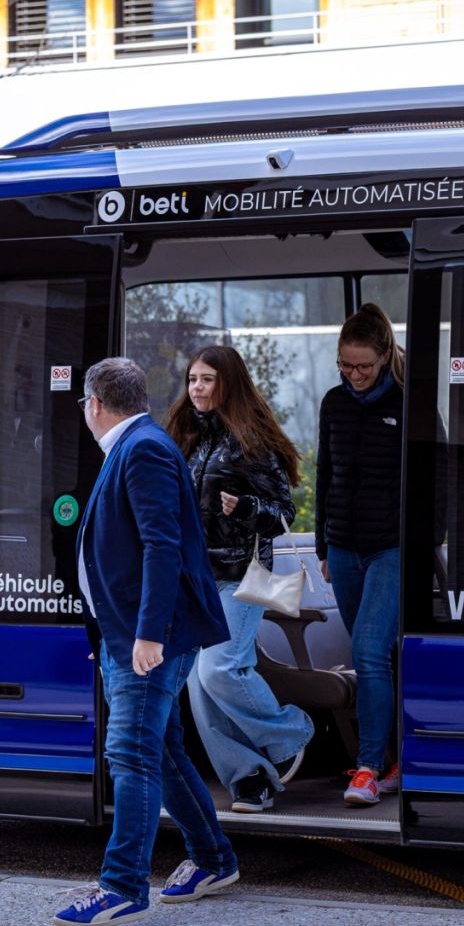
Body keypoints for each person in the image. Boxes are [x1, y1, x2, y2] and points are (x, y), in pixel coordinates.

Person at [52, 357, 240, 926]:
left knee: (130, 751)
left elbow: (163, 547)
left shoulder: (145, 450)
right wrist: (112, 631)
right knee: (161, 751)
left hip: (149, 637)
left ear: (95, 404)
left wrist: (148, 635)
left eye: (84, 403)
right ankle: (213, 859)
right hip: (128, 632)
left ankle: (122, 885)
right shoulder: (135, 448)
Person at [164, 345, 314, 813]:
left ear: (227, 383)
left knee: (219, 669)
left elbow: (284, 513)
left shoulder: (251, 442)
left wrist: (247, 508)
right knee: (199, 685)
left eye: (207, 379)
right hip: (197, 580)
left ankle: (292, 732)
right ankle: (250, 778)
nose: (197, 388)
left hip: (239, 576)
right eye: (192, 380)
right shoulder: (188, 437)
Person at [317, 303, 407, 807]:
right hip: (344, 549)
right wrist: (323, 547)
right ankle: (394, 759)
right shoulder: (334, 403)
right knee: (379, 657)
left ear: (384, 356)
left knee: (370, 651)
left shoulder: (408, 404)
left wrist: (422, 545)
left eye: (363, 367)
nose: (354, 376)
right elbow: (326, 472)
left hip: (391, 549)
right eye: (345, 366)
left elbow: (432, 480)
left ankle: (368, 768)